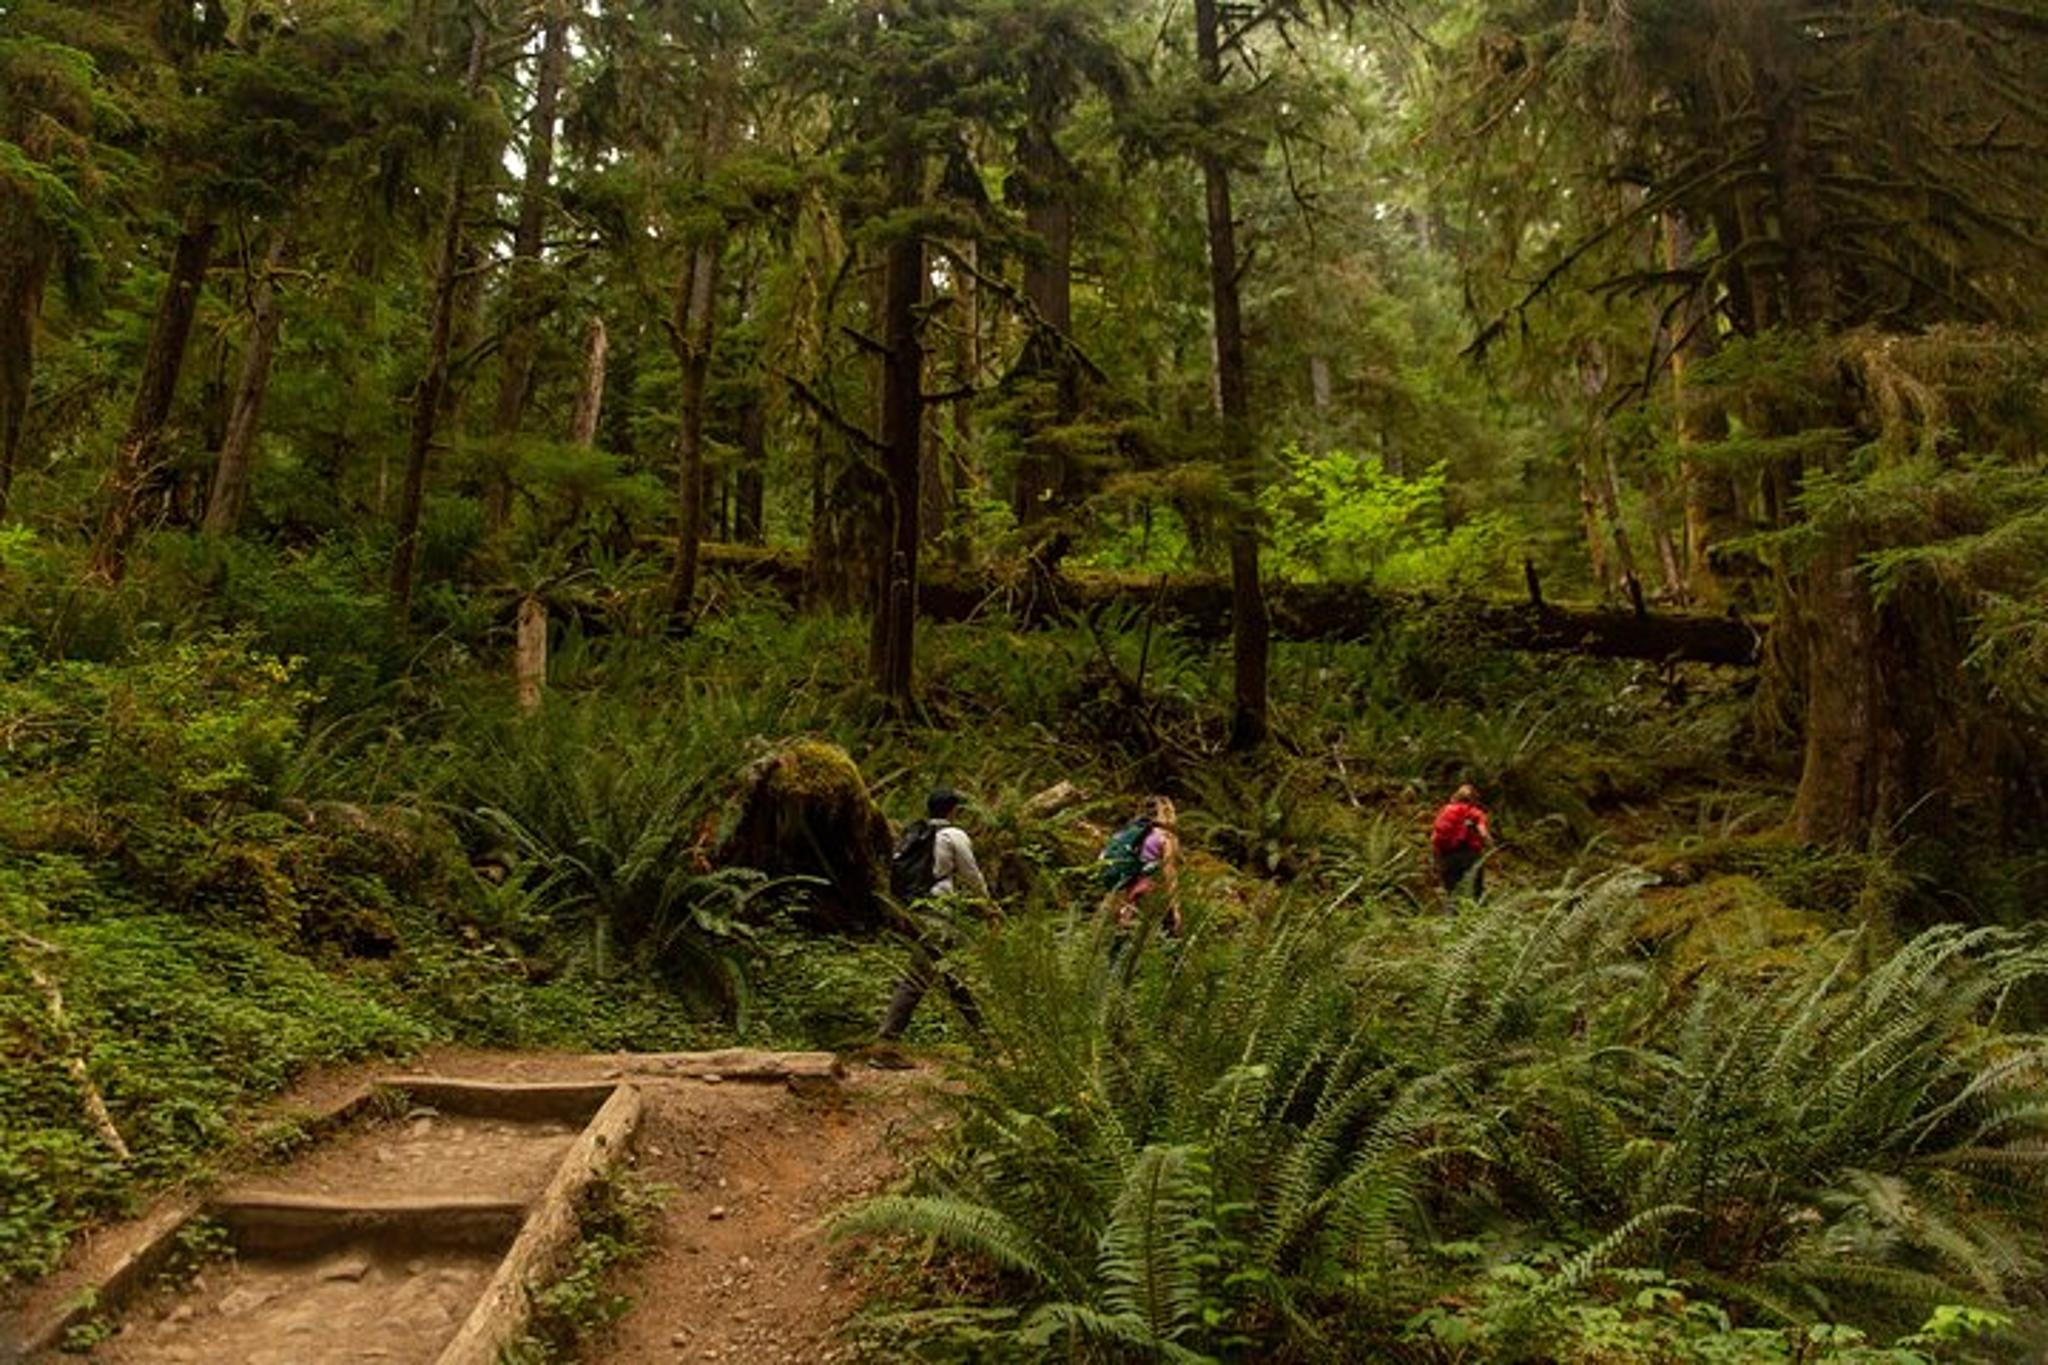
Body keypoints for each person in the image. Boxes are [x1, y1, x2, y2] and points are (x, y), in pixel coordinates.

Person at [877, 787, 993, 1043]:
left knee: (952, 974)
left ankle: (984, 1039)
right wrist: (988, 906)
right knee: (919, 975)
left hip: (915, 909)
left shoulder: (915, 833)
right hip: (938, 913)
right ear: (954, 810)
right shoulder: (953, 835)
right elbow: (972, 875)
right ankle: (885, 1041)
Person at [1099, 795, 1183, 939]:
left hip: (1120, 889)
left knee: (1120, 937)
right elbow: (1170, 873)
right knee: (1165, 939)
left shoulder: (1124, 834)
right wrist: (1175, 907)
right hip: (1145, 891)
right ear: (1168, 813)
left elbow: (1103, 858)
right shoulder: (1166, 837)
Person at [1431, 784, 1491, 903]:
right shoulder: (1474, 812)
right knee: (1474, 893)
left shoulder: (1445, 810)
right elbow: (1483, 832)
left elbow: (1434, 838)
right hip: (1469, 856)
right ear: (1474, 799)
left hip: (1447, 857)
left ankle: (1452, 919)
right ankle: (1474, 918)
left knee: (1452, 894)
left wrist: (1438, 860)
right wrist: (1489, 843)